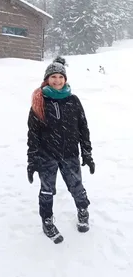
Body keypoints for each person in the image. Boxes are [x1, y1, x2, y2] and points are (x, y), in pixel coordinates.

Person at [27, 56, 95, 244]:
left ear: (65, 79)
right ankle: (47, 220)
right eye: (53, 77)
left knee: (77, 187)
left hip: (70, 154)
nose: (57, 80)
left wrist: (87, 152)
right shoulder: (39, 102)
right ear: (47, 79)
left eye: (60, 77)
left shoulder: (73, 100)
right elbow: (33, 134)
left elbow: (83, 128)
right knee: (47, 190)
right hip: (46, 155)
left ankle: (83, 210)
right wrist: (32, 160)